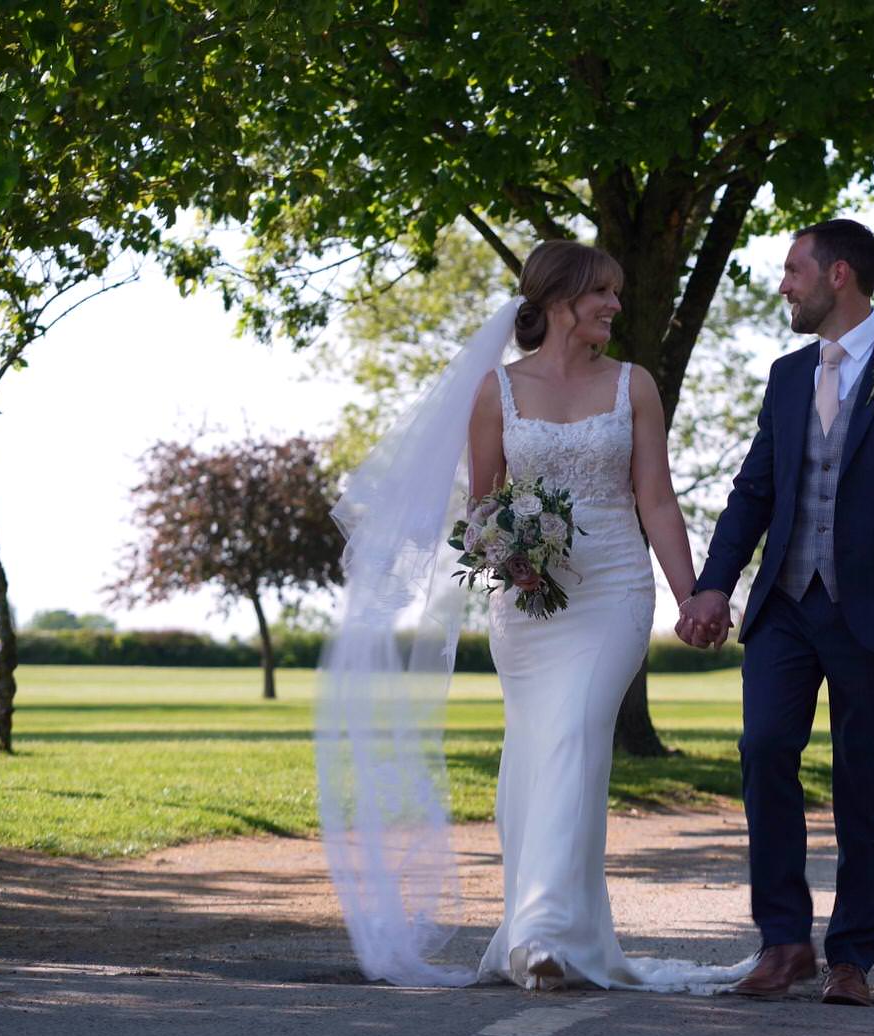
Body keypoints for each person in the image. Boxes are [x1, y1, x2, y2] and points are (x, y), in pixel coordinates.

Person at [315, 240, 750, 992]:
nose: (615, 305)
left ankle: (543, 930)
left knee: (577, 732)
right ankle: (552, 934)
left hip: (615, 588)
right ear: (558, 300)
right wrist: (506, 550)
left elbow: (658, 499)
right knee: (537, 752)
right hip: (526, 603)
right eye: (602, 294)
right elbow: (485, 505)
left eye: (616, 293)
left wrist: (691, 594)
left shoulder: (635, 385)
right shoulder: (497, 392)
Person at [678, 219, 874, 1007]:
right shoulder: (784, 374)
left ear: (838, 274)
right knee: (764, 748)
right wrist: (714, 583)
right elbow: (754, 490)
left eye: (793, 269)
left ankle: (852, 957)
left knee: (863, 778)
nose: (784, 284)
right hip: (784, 604)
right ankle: (783, 942)